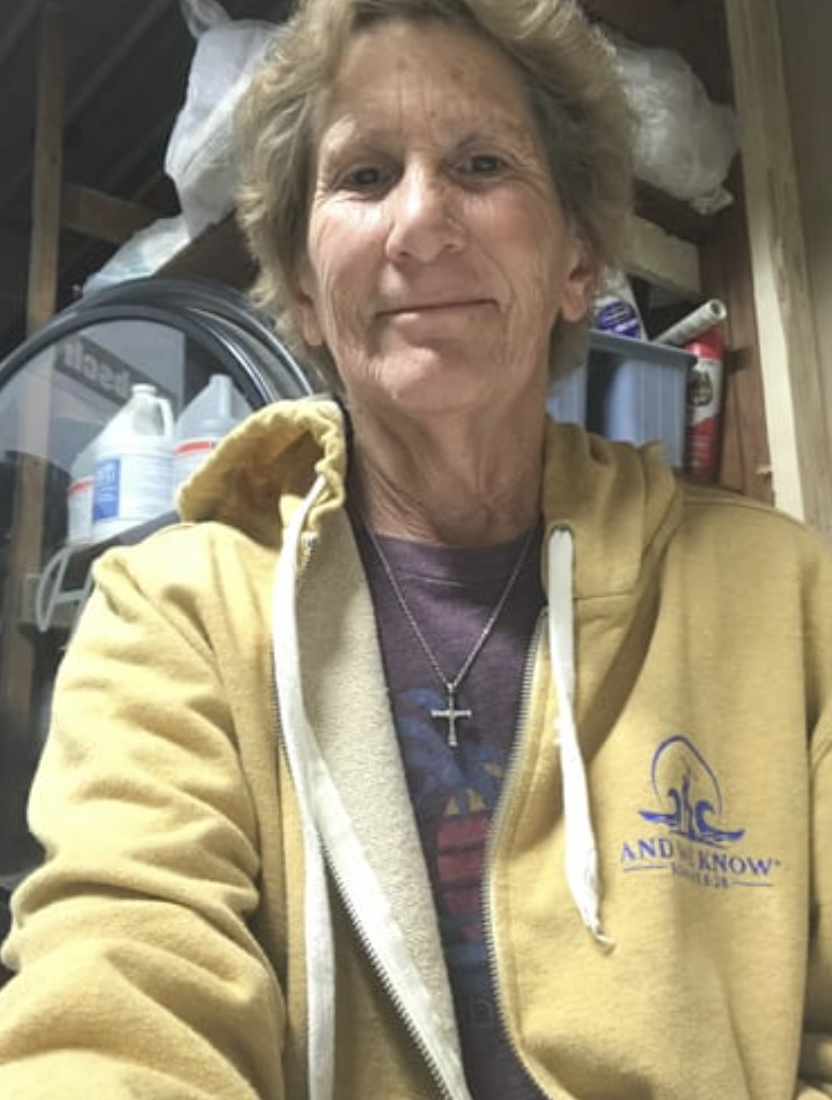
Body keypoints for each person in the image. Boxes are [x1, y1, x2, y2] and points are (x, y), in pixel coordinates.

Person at [0, 0, 830, 1096]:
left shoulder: (785, 595)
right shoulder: (172, 607)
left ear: (579, 260)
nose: (420, 223)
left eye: (481, 163)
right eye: (363, 176)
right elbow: (119, 986)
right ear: (301, 286)